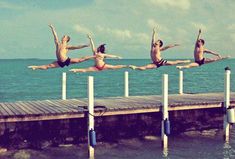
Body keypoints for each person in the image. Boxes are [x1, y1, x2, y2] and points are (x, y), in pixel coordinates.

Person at [28, 24, 94, 70]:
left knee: (80, 59)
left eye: (64, 36)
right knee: (48, 66)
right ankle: (36, 67)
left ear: (66, 39)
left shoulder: (67, 46)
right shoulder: (58, 44)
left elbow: (77, 47)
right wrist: (52, 28)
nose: (62, 37)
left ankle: (94, 56)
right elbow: (55, 36)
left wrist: (85, 45)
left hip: (66, 60)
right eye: (63, 36)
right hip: (59, 62)